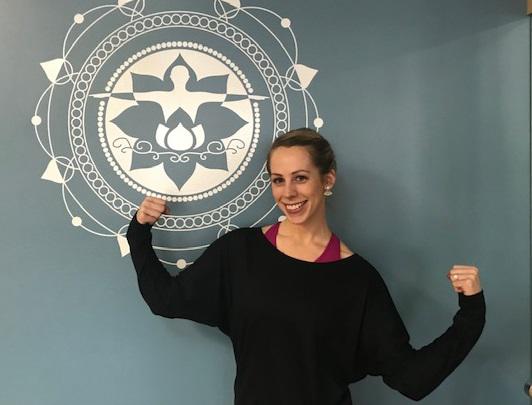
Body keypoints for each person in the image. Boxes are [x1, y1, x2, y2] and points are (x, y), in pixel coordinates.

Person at [126, 128, 485, 405]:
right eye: (278, 180)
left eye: (300, 177)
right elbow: (165, 299)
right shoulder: (240, 252)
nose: (288, 193)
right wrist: (139, 230)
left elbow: (411, 379)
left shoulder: (357, 280)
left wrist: (471, 314)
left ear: (327, 180)